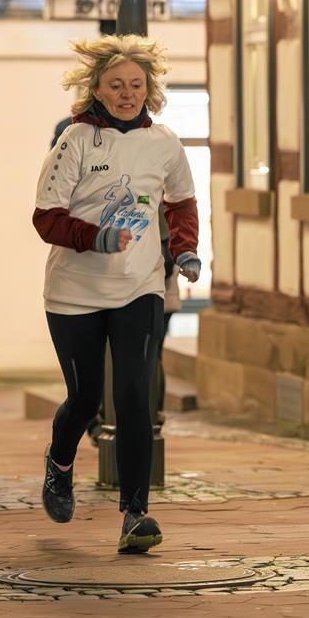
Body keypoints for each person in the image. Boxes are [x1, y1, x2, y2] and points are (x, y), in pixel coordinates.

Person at [32, 35, 200, 554]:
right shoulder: (77, 140)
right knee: (85, 398)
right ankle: (60, 463)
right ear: (97, 89)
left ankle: (135, 514)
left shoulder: (165, 142)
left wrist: (186, 252)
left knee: (134, 396)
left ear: (149, 88)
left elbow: (180, 203)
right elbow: (46, 219)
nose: (127, 93)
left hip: (141, 287)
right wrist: (96, 237)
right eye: (116, 85)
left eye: (136, 84)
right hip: (75, 293)